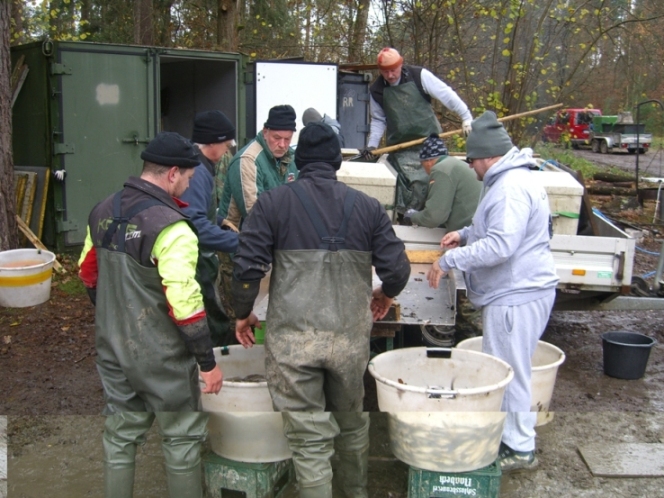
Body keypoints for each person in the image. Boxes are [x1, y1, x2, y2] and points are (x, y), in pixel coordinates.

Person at [231, 122, 411, 497]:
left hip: (294, 343)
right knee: (351, 422)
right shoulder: (368, 207)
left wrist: (243, 312)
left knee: (309, 438)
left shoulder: (273, 204)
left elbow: (247, 268)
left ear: (301, 160)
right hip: (348, 342)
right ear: (336, 162)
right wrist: (385, 294)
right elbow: (398, 270)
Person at [78, 131, 223, 498]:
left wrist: (116, 319)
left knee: (120, 434)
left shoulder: (102, 210)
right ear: (173, 173)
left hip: (112, 346)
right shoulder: (172, 227)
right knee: (181, 438)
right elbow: (185, 301)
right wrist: (207, 363)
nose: (188, 185)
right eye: (188, 177)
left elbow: (88, 272)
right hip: (162, 355)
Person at [426, 111, 559, 472]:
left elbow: (501, 245)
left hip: (516, 293)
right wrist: (465, 234)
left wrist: (450, 260)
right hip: (522, 289)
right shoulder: (511, 179)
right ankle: (509, 435)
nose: (470, 167)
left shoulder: (510, 189)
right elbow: (496, 228)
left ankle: (519, 447)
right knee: (511, 367)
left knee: (510, 372)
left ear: (486, 156)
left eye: (471, 160)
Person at [183, 110, 239, 346]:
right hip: (195, 259)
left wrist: (219, 221)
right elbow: (193, 223)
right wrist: (239, 242)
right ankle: (217, 355)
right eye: (226, 145)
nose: (227, 151)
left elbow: (195, 210)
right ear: (213, 143)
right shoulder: (197, 172)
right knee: (210, 313)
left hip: (199, 257)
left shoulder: (198, 164)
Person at [361, 47, 473, 157]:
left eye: (393, 70)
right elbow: (378, 120)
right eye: (385, 72)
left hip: (431, 142)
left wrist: (466, 117)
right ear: (380, 70)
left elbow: (447, 95)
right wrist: (372, 145)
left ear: (400, 65)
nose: (390, 75)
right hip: (400, 149)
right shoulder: (377, 91)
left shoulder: (419, 76)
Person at [219, 104, 298, 228]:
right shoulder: (247, 160)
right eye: (277, 138)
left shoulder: (290, 158)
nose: (282, 145)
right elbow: (254, 213)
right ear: (265, 132)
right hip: (238, 235)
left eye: (287, 139)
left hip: (276, 231)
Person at [404, 133, 482, 231]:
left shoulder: (441, 170)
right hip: (478, 226)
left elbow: (434, 217)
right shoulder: (454, 164)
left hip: (469, 232)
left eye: (422, 165)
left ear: (428, 162)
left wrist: (413, 216)